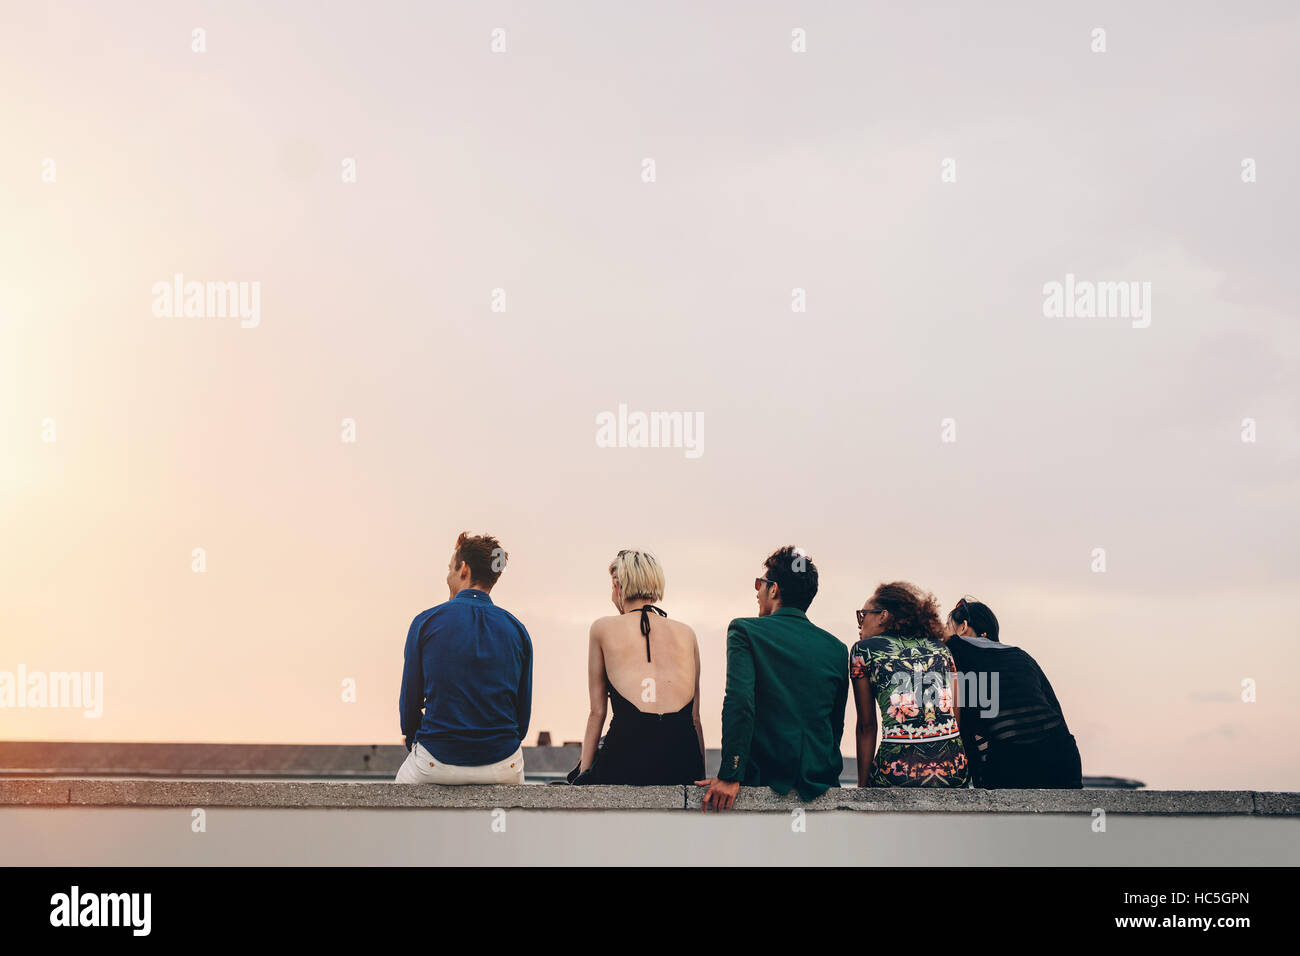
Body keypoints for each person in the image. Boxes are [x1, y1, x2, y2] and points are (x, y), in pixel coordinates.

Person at [697, 546, 849, 810]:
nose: (757, 592)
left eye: (760, 584)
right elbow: (836, 723)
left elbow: (740, 702)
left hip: (763, 778)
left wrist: (730, 773)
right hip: (821, 782)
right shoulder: (837, 648)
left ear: (774, 589)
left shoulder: (745, 631)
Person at [396, 532, 532, 785]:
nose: (447, 575)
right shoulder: (517, 629)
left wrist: (416, 739)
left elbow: (410, 703)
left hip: (437, 759)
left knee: (395, 805)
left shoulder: (426, 622)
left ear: (463, 570)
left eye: (450, 568)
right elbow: (522, 715)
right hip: (503, 763)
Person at [570, 549, 705, 785]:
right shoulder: (687, 633)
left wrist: (584, 773)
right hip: (682, 757)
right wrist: (699, 775)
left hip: (627, 755)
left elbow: (597, 712)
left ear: (616, 585)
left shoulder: (602, 628)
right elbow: (695, 718)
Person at [943, 597, 1082, 789]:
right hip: (1064, 761)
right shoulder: (1021, 655)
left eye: (949, 626)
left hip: (1012, 765)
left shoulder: (955, 647)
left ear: (963, 626)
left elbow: (963, 727)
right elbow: (1055, 709)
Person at [851, 582, 969, 788]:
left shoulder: (863, 651)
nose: (860, 623)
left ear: (883, 616)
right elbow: (955, 713)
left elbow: (866, 726)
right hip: (954, 771)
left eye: (863, 615)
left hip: (900, 771)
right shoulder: (941, 648)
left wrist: (862, 787)